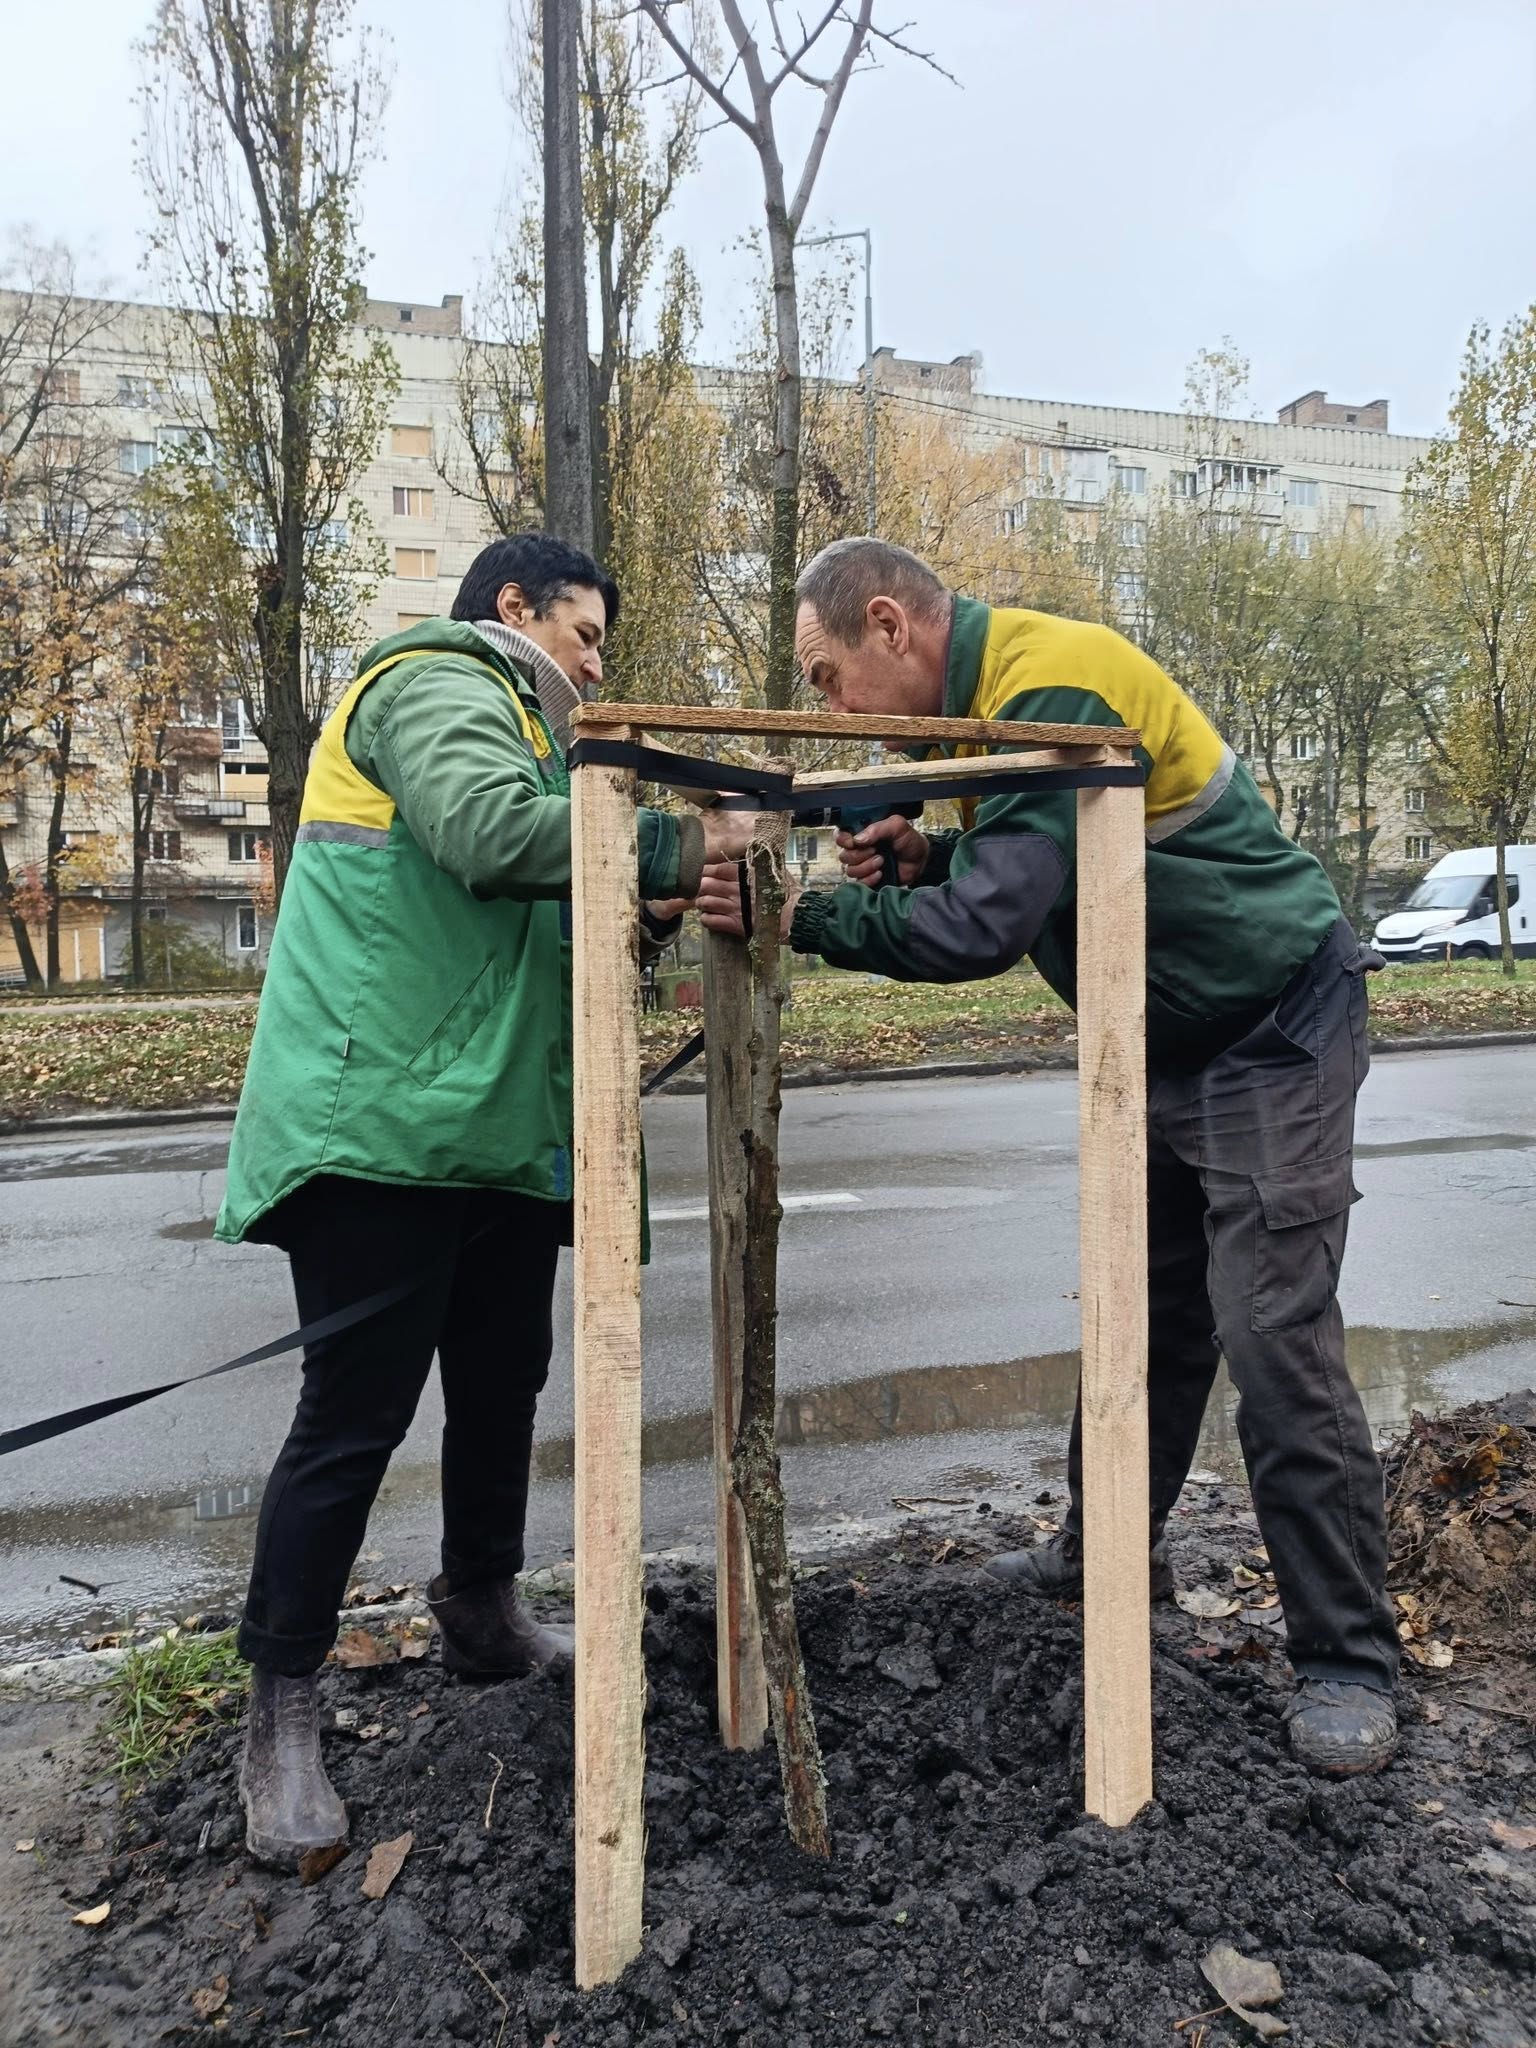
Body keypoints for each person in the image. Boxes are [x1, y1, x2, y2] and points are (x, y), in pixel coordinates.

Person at [698, 536, 1399, 1779]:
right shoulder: (991, 718)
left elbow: (987, 925)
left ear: (887, 627)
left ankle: (1346, 1658)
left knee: (1270, 1331)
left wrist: (803, 913)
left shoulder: (1046, 686)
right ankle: (1103, 1556)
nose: (827, 708)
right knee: (1145, 1315)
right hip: (1169, 1034)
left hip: (1276, 1024)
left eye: (824, 676)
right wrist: (926, 852)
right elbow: (1035, 861)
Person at [216, 533, 755, 1867]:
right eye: (584, 637)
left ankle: (481, 1606)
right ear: (512, 607)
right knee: (353, 1416)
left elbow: (550, 910)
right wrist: (685, 833)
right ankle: (279, 1708)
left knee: (504, 1377)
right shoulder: (436, 679)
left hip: (500, 1129)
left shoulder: (532, 736)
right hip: (384, 1118)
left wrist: (658, 899)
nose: (592, 669)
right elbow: (493, 837)